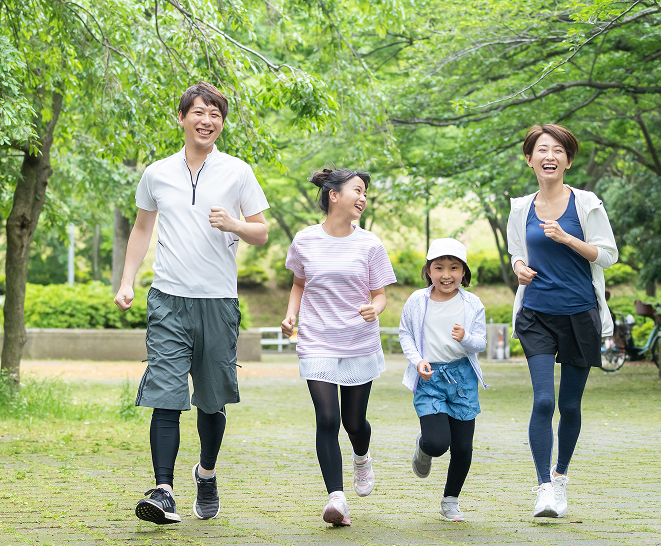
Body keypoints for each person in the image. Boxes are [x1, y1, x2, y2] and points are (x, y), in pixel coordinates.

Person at [113, 82, 269, 525]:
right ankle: (163, 491)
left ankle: (206, 473)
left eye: (215, 114)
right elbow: (142, 229)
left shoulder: (238, 171)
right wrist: (127, 281)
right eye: (199, 112)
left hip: (218, 302)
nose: (207, 120)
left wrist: (234, 224)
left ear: (222, 123)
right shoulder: (156, 173)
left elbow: (261, 232)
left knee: (211, 402)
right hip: (168, 300)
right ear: (181, 117)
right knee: (165, 395)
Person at [507, 124, 618, 518]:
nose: (549, 156)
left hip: (580, 314)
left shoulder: (587, 204)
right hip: (536, 313)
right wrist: (519, 267)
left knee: (569, 406)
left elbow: (608, 255)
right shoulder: (520, 208)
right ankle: (543, 489)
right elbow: (517, 252)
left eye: (558, 150)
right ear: (529, 159)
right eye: (542, 149)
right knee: (544, 400)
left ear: (568, 161)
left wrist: (568, 238)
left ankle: (560, 477)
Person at [281, 168, 396, 526]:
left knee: (354, 423)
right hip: (317, 340)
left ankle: (362, 457)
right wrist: (291, 315)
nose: (363, 198)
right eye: (357, 190)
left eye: (365, 193)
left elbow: (380, 295)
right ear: (334, 195)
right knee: (328, 419)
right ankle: (337, 498)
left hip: (358, 341)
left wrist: (374, 309)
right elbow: (299, 284)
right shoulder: (304, 240)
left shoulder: (370, 244)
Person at [398, 238, 487, 522]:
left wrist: (466, 338)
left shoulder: (472, 303)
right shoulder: (417, 301)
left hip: (462, 379)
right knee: (438, 443)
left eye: (454, 268)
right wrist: (417, 361)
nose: (446, 275)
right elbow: (405, 334)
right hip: (430, 378)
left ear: (464, 272)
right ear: (428, 270)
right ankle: (424, 446)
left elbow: (481, 342)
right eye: (439, 268)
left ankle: (450, 500)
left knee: (462, 447)